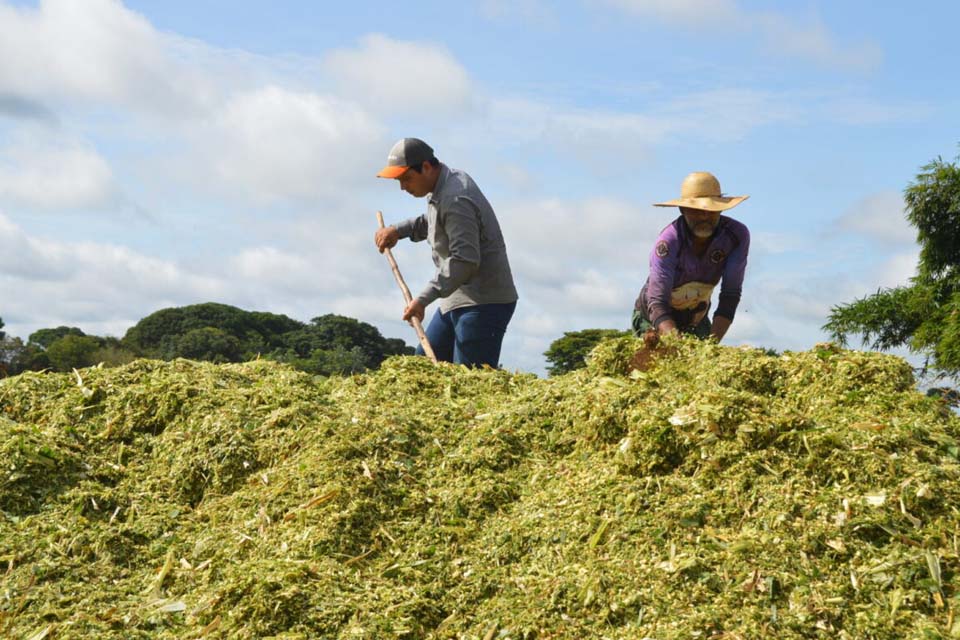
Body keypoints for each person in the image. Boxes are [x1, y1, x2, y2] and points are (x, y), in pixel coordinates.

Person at [374, 137, 518, 367]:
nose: (403, 187)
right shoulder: (442, 187)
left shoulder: (456, 197)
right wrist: (397, 231)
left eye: (407, 179)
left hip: (483, 303)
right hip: (456, 297)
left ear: (427, 167)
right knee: (422, 368)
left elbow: (465, 261)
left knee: (467, 384)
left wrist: (422, 299)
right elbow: (433, 222)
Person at [632, 171, 750, 343]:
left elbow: (730, 294)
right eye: (695, 211)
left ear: (721, 209)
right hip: (654, 317)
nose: (704, 217)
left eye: (711, 211)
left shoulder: (736, 236)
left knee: (704, 363)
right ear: (683, 209)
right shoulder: (668, 242)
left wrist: (712, 345)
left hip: (696, 316)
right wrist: (680, 347)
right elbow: (657, 303)